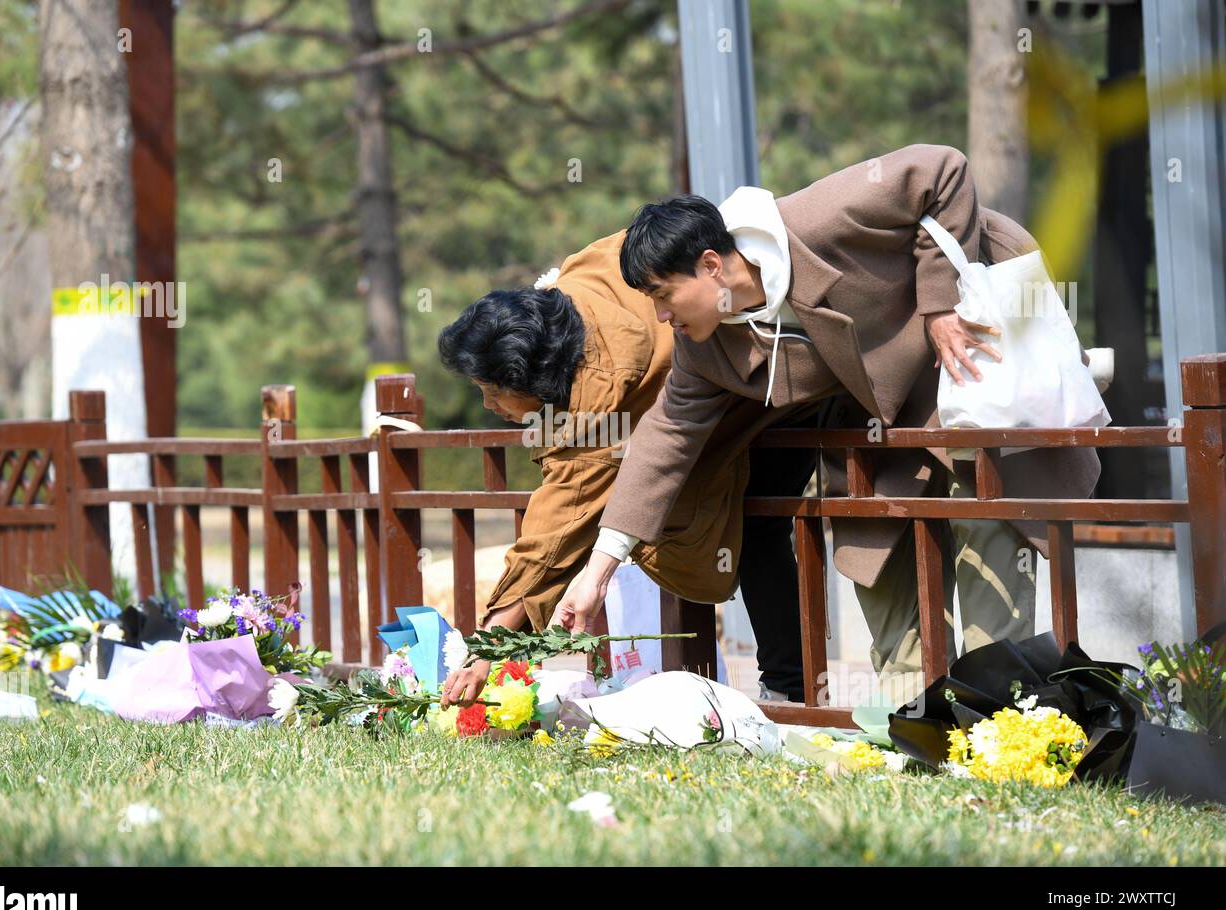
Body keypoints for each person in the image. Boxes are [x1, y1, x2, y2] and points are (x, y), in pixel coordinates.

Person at [553, 143, 1101, 706]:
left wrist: (940, 303)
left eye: (664, 296)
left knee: (985, 525)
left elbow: (944, 168)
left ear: (712, 266)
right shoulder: (706, 346)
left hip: (971, 347)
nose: (662, 316)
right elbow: (663, 443)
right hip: (879, 411)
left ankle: (1003, 724)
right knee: (883, 559)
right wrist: (597, 573)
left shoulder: (821, 218)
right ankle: (919, 731)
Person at [435, 231, 815, 707]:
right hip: (733, 375)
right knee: (756, 522)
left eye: (492, 390)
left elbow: (557, 526)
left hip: (790, 375)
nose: (488, 405)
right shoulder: (570, 288)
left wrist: (488, 647)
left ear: (530, 376)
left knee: (762, 523)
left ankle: (793, 692)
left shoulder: (598, 393)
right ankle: (791, 688)